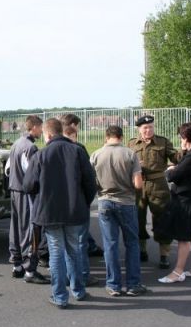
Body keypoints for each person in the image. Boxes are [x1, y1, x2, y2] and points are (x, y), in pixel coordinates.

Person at [23, 119, 96, 309]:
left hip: (50, 213)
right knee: (75, 251)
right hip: (74, 211)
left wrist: (41, 197)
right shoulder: (78, 151)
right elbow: (90, 183)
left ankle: (60, 296)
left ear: (47, 135)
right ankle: (78, 291)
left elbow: (28, 185)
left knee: (56, 253)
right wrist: (83, 203)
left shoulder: (41, 155)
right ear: (61, 132)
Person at [90, 126, 147, 297]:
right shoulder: (130, 154)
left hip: (105, 202)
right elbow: (138, 184)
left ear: (106, 137)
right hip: (126, 202)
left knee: (110, 244)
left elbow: (91, 181)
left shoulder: (96, 155)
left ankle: (113, 285)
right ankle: (133, 284)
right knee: (132, 243)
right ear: (121, 137)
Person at [158, 122, 191, 284]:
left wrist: (170, 170)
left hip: (185, 201)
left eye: (181, 136)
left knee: (183, 237)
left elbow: (172, 176)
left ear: (185, 137)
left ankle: (178, 272)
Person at [128, 115, 178, 269]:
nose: (148, 130)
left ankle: (164, 255)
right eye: (145, 128)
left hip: (158, 185)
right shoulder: (131, 144)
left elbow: (176, 158)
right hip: (138, 186)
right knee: (138, 220)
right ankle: (142, 250)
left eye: (151, 127)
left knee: (162, 220)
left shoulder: (162, 142)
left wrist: (185, 150)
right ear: (139, 129)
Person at [6, 115, 49, 284]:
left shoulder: (16, 144)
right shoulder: (30, 147)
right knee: (29, 230)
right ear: (34, 128)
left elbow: (8, 169)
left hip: (14, 190)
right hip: (25, 193)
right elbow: (33, 173)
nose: (42, 130)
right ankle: (30, 270)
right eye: (41, 128)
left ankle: (17, 266)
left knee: (15, 228)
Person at [61, 117, 100, 287]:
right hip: (79, 202)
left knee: (61, 244)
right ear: (74, 132)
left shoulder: (49, 150)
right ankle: (83, 276)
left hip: (59, 205)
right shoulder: (79, 149)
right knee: (80, 241)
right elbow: (90, 180)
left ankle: (67, 275)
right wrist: (87, 200)